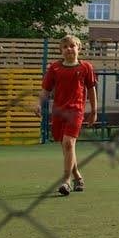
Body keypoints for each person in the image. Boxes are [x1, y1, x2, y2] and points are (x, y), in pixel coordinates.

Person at [40, 34, 96, 197]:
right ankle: (78, 177)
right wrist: (38, 103)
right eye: (65, 47)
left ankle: (66, 181)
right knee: (66, 148)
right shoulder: (54, 68)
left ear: (79, 48)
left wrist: (93, 111)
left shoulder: (86, 67)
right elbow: (46, 89)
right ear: (61, 51)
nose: (69, 49)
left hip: (76, 111)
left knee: (68, 144)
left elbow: (91, 89)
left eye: (72, 46)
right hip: (58, 112)